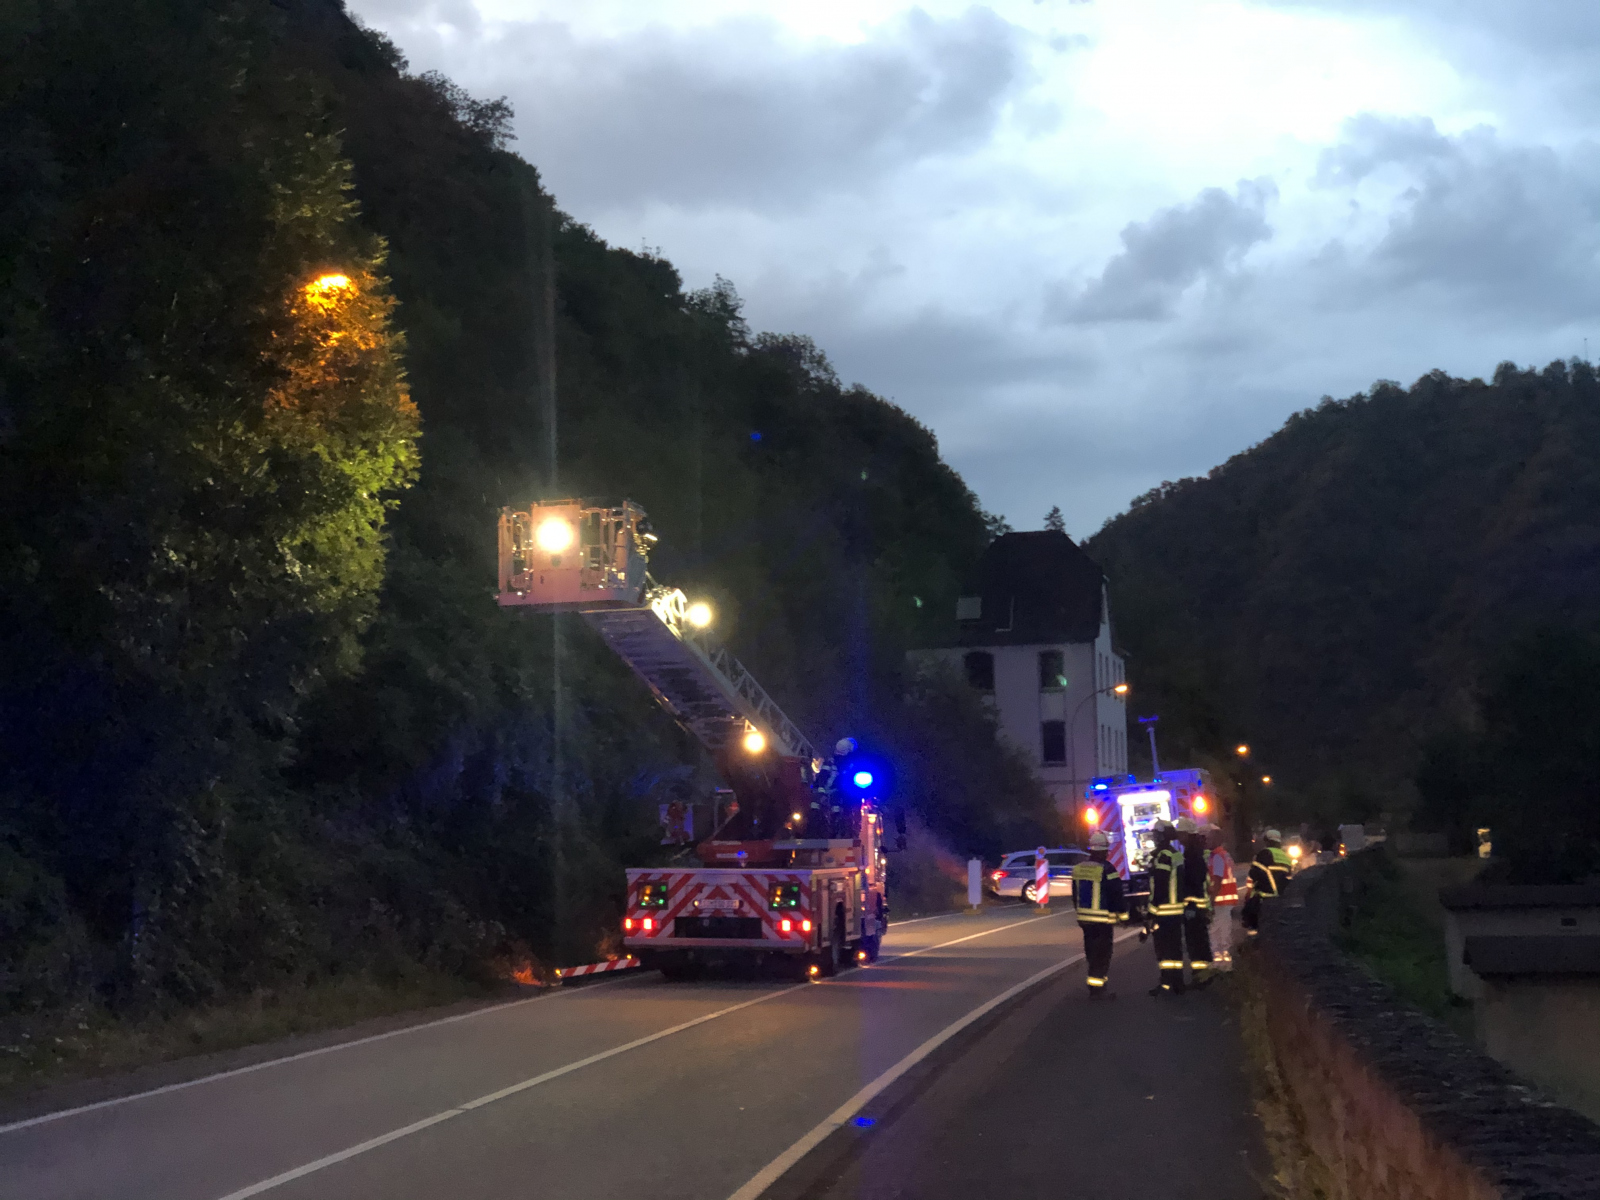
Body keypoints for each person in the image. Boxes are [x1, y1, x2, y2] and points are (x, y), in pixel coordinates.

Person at [1071, 830, 1127, 995]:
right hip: (1102, 921)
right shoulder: (1107, 869)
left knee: (1091, 952)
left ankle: (1094, 985)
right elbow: (1116, 894)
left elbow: (1075, 894)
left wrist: (1080, 913)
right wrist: (1123, 915)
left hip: (1084, 920)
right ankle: (1098, 989)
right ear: (1103, 850)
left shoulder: (1079, 869)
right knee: (1102, 954)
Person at [1147, 821, 1187, 995]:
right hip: (1176, 909)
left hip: (1163, 911)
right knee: (1175, 949)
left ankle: (1166, 984)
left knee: (1163, 950)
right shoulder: (1175, 854)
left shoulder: (1163, 856)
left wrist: (1152, 911)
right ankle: (1178, 983)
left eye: (1156, 834)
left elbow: (1160, 884)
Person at [1176, 817, 1213, 988]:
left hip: (1194, 907)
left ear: (1188, 834)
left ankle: (1202, 976)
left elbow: (1195, 881)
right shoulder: (1193, 851)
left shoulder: (1192, 854)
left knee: (1196, 942)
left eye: (1181, 834)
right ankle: (1201, 975)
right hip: (1197, 905)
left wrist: (1190, 905)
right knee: (1198, 941)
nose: (1178, 837)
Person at [1242, 828, 1294, 937]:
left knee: (1249, 914)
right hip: (1281, 897)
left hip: (1265, 896)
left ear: (1266, 840)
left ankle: (1253, 936)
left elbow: (1254, 873)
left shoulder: (1264, 854)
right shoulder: (1286, 856)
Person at [1206, 826, 1239, 969]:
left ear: (1216, 840)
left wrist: (1211, 900)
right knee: (1223, 929)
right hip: (1226, 899)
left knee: (1216, 931)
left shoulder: (1217, 856)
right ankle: (1224, 960)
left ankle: (1221, 962)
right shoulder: (1225, 855)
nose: (1206, 841)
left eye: (1209, 839)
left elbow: (1217, 880)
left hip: (1220, 899)